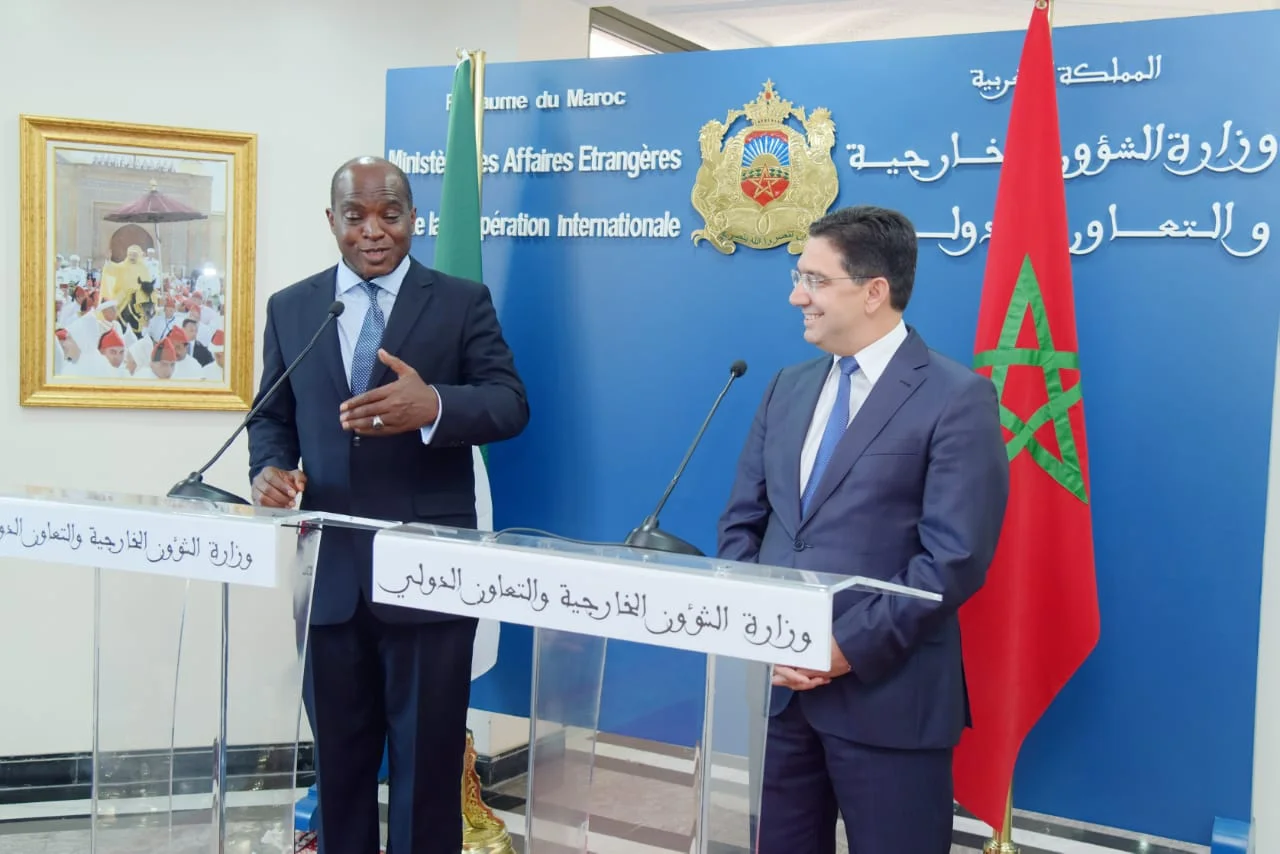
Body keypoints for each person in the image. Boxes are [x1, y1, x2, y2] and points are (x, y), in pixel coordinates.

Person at [247, 156, 529, 854]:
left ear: (413, 218)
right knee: (339, 770)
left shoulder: (461, 301)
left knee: (426, 772)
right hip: (330, 578)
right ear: (332, 221)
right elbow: (271, 415)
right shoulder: (294, 307)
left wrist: (433, 405)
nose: (373, 231)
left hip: (429, 578)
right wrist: (269, 470)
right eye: (355, 216)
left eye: (390, 214)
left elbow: (508, 404)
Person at [716, 205, 1010, 854]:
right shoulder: (785, 387)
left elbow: (954, 558)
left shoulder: (956, 397)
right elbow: (744, 523)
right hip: (781, 697)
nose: (797, 296)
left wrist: (842, 646)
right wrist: (764, 629)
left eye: (815, 280)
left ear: (875, 291)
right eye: (798, 277)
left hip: (889, 702)